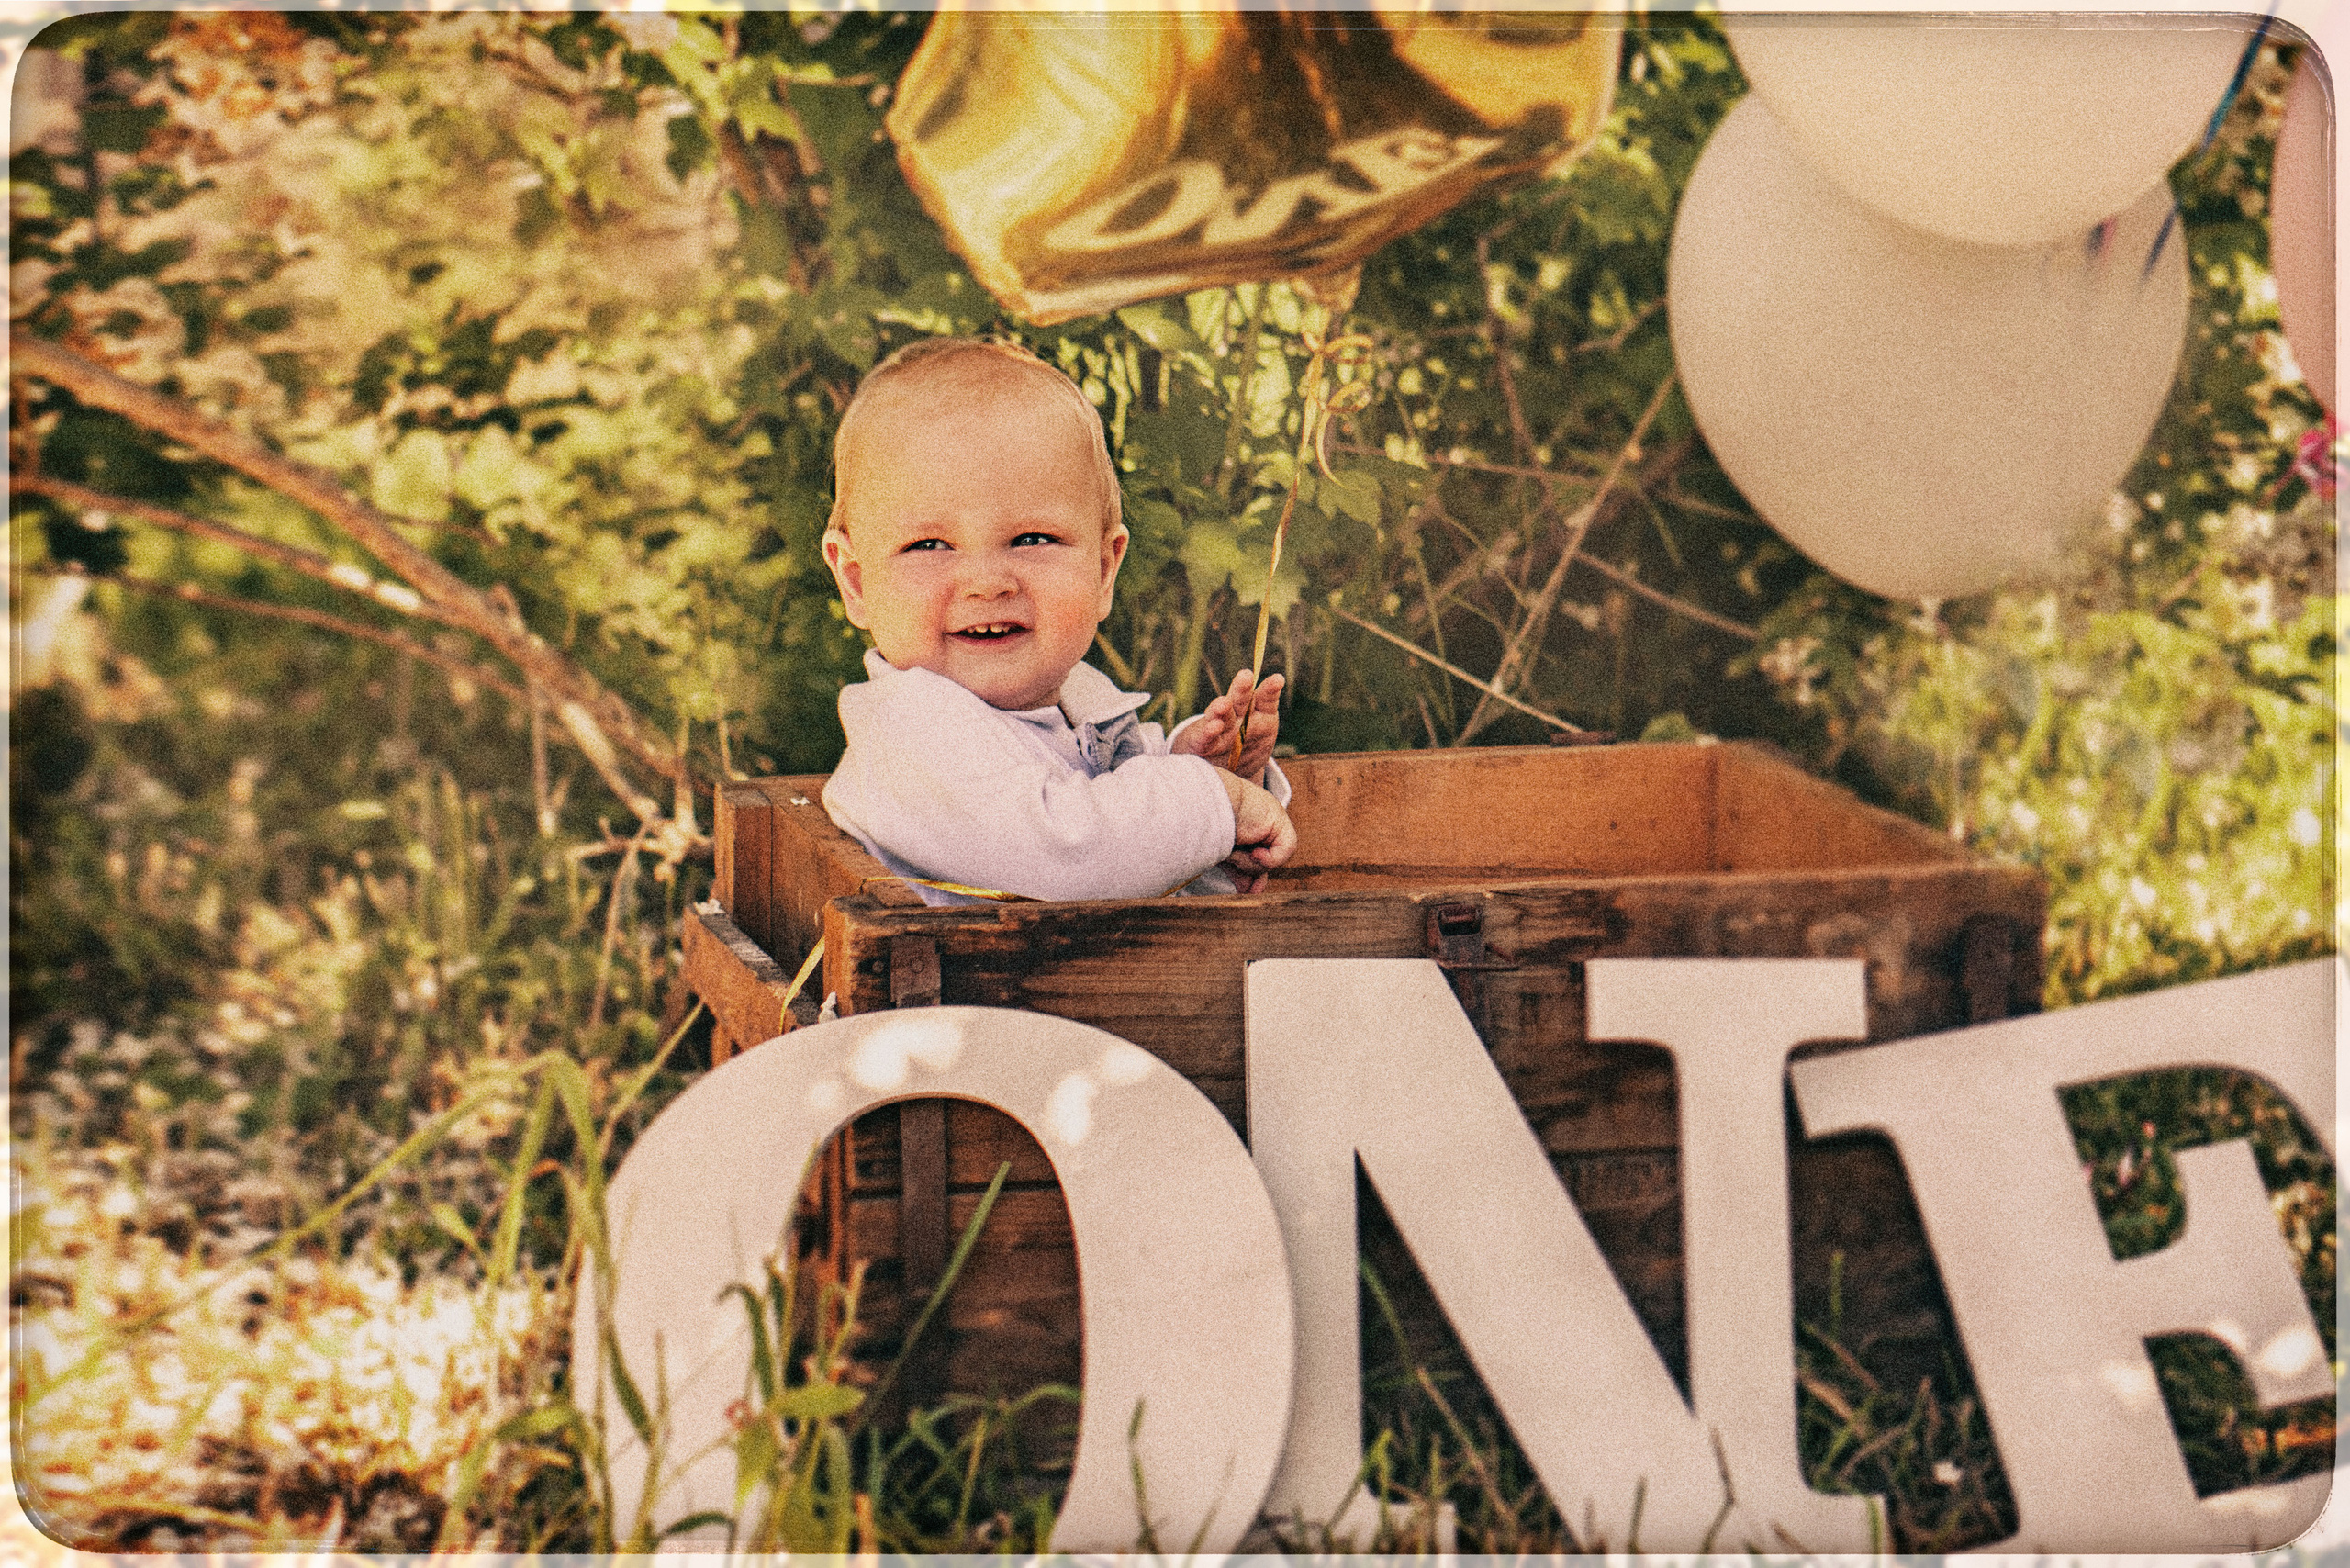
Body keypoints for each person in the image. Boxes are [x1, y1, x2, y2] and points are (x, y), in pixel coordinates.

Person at [819, 338, 1295, 903]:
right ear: (856, 583)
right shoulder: (908, 733)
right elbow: (1069, 859)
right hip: (956, 991)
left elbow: (1138, 883)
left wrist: (1201, 776)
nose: (987, 582)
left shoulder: (1083, 704)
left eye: (1032, 539)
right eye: (929, 545)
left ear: (1102, 570)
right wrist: (1212, 803)